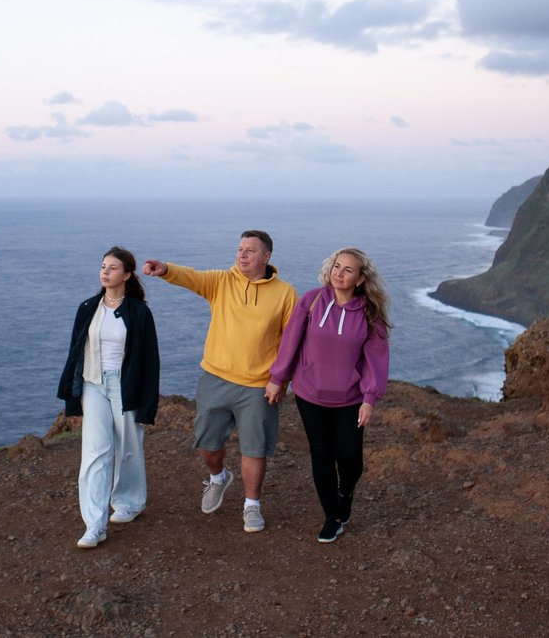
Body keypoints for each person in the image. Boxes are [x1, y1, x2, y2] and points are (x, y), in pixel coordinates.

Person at [142, 230, 297, 533]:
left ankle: (252, 505)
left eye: (250, 250)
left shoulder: (285, 293)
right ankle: (218, 478)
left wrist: (280, 380)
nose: (242, 255)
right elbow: (192, 277)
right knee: (207, 445)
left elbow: (291, 343)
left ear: (266, 257)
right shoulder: (222, 281)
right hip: (216, 378)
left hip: (258, 385)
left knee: (254, 449)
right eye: (240, 249)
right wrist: (166, 270)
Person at [265, 247, 391, 543]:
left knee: (350, 458)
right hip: (310, 394)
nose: (339, 273)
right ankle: (332, 517)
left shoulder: (369, 314)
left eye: (348, 270)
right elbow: (290, 342)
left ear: (360, 279)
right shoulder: (312, 301)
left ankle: (345, 493)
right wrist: (277, 379)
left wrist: (369, 399)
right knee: (321, 454)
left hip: (349, 398)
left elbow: (376, 359)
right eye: (336, 266)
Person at [56, 246, 161, 549]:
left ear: (127, 275)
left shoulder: (139, 312)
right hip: (94, 384)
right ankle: (94, 525)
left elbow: (150, 361)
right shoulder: (88, 307)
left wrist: (147, 404)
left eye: (113, 268)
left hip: (125, 386)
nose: (105, 272)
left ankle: (129, 502)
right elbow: (76, 351)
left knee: (128, 447)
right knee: (95, 453)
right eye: (103, 266)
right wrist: (73, 390)